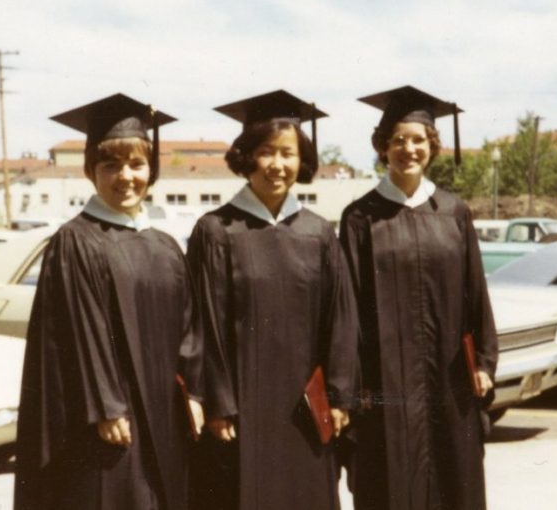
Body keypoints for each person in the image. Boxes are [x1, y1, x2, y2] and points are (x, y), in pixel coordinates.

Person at [14, 94, 205, 510]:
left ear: (151, 170)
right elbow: (83, 331)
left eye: (137, 164)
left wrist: (194, 392)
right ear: (90, 172)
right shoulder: (77, 239)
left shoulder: (165, 245)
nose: (126, 177)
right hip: (109, 421)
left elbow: (190, 328)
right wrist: (105, 406)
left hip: (163, 415)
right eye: (110, 165)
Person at [187, 90, 359, 510]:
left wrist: (339, 396)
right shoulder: (216, 230)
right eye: (266, 152)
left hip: (305, 405)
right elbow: (202, 322)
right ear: (247, 157)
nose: (278, 165)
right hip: (241, 409)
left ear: (302, 161)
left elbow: (341, 320)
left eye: (288, 153)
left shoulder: (317, 234)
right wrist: (218, 402)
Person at [340, 86, 499, 510]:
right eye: (398, 140)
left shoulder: (453, 212)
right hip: (386, 386)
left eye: (418, 140)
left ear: (432, 145)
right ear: (383, 147)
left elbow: (475, 293)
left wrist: (484, 361)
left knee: (454, 482)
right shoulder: (360, 217)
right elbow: (349, 310)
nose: (408, 149)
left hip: (450, 383)